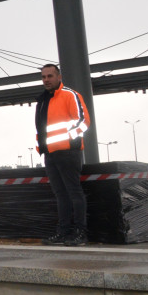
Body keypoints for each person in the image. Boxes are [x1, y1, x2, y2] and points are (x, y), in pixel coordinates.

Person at [35, 63, 91, 246]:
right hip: (50, 153)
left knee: (74, 192)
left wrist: (69, 140)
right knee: (60, 194)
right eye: (43, 77)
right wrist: (41, 147)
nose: (46, 80)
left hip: (68, 152)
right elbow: (41, 127)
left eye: (50, 76)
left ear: (59, 77)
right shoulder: (43, 100)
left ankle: (80, 232)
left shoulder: (69, 95)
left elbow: (84, 121)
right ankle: (64, 232)